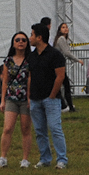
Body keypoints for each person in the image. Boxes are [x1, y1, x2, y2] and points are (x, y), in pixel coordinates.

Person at [28, 22, 68, 167]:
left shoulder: (55, 55)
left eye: (32, 35)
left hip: (51, 99)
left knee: (55, 128)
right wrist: (29, 95)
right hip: (35, 98)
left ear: (39, 37)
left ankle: (62, 159)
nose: (29, 38)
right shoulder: (31, 56)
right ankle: (45, 159)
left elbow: (60, 76)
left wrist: (52, 95)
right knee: (39, 131)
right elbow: (30, 77)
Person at [0, 31, 32, 167]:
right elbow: (5, 81)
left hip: (24, 99)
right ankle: (3, 157)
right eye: (17, 40)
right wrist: (3, 100)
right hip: (11, 98)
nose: (20, 42)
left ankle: (25, 159)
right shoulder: (8, 61)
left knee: (25, 129)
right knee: (8, 128)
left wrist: (29, 98)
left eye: (23, 40)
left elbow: (30, 80)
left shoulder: (30, 60)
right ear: (13, 43)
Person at [53, 22, 81, 113]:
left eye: (66, 27)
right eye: (63, 27)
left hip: (58, 65)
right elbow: (66, 52)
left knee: (64, 85)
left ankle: (66, 105)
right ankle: (68, 106)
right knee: (66, 85)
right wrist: (78, 60)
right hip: (58, 66)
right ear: (59, 30)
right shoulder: (61, 39)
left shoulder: (62, 39)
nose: (65, 29)